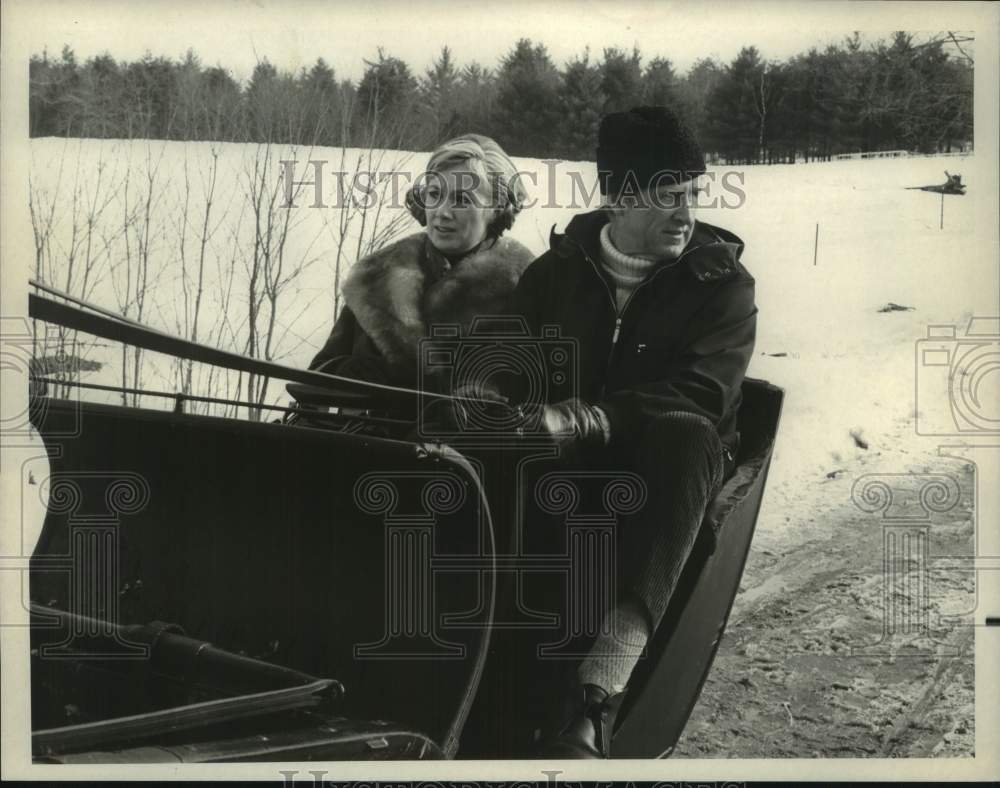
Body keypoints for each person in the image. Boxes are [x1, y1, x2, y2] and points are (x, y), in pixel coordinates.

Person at [496, 106, 757, 757]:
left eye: (692, 195)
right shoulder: (555, 273)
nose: (687, 214)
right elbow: (503, 364)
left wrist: (589, 417)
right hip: (563, 470)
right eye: (668, 198)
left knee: (686, 432)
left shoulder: (721, 283)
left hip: (666, 477)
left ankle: (599, 693)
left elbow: (703, 393)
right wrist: (493, 403)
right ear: (617, 200)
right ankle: (488, 681)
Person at [307, 134, 535, 391]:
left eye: (462, 200)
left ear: (496, 208)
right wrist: (344, 373)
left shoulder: (527, 285)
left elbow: (533, 394)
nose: (442, 212)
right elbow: (316, 380)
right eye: (435, 194)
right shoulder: (375, 276)